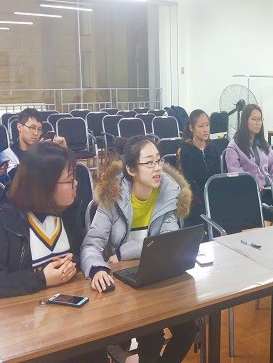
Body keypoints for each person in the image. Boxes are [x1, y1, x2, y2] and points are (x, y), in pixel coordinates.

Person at [0, 142, 107, 362]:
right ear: (46, 186)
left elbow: (79, 250)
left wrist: (77, 264)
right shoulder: (5, 221)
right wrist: (42, 278)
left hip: (71, 323)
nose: (76, 184)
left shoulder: (68, 211)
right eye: (69, 179)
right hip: (24, 333)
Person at [80, 135, 195, 363]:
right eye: (149, 163)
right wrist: (97, 269)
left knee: (188, 329)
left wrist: (125, 252)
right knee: (151, 334)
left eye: (159, 160)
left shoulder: (168, 192)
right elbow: (91, 245)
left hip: (154, 276)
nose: (157, 168)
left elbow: (166, 241)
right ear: (131, 169)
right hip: (122, 283)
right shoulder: (113, 196)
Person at [225, 104, 273, 208]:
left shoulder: (263, 144)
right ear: (245, 121)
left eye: (260, 119)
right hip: (248, 194)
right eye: (254, 119)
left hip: (268, 190)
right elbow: (236, 175)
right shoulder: (234, 146)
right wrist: (253, 186)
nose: (258, 123)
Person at [177, 109, 221, 227]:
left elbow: (218, 178)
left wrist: (215, 198)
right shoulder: (184, 150)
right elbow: (187, 183)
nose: (205, 129)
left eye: (207, 125)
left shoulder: (213, 148)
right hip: (195, 202)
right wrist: (205, 200)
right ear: (192, 128)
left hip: (213, 197)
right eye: (201, 126)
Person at [0, 108, 67, 178]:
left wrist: (63, 150)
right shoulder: (7, 155)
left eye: (39, 129)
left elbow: (63, 173)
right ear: (19, 127)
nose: (36, 133)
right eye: (32, 128)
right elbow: (18, 178)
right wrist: (36, 153)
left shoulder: (45, 150)